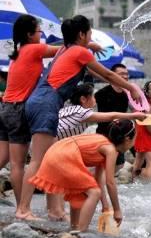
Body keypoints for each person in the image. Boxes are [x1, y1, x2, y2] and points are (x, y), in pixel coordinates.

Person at [17, 15, 142, 221]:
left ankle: (55, 210)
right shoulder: (79, 51)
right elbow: (109, 75)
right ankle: (23, 209)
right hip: (47, 104)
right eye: (89, 33)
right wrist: (132, 88)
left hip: (38, 101)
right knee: (39, 161)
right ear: (81, 34)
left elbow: (100, 74)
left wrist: (91, 44)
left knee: (50, 159)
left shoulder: (66, 50)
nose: (91, 37)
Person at [0, 14, 103, 220]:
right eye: (40, 32)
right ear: (30, 35)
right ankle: (23, 208)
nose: (42, 35)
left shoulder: (19, 52)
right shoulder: (34, 48)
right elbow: (68, 48)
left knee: (5, 159)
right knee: (22, 162)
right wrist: (90, 44)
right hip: (20, 108)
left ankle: (50, 209)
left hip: (4, 108)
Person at [28, 119, 136, 231]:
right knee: (94, 192)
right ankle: (82, 232)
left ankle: (74, 227)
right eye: (135, 138)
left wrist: (106, 206)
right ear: (127, 139)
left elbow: (99, 180)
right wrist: (117, 210)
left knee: (81, 191)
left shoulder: (103, 142)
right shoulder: (111, 150)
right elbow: (110, 182)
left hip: (55, 152)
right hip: (64, 156)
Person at [94, 63, 133, 170]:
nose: (125, 76)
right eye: (121, 74)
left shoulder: (127, 94)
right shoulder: (102, 93)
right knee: (103, 167)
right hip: (104, 136)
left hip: (120, 137)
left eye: (126, 74)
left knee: (119, 166)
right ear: (113, 75)